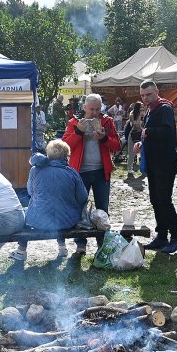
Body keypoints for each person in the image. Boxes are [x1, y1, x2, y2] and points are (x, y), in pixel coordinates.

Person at [62, 93, 121, 256]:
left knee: (103, 209)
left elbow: (117, 145)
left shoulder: (107, 122)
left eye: (97, 109)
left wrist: (104, 139)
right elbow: (65, 147)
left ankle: (102, 243)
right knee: (80, 210)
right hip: (80, 173)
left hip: (102, 172)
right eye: (92, 109)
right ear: (84, 108)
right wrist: (79, 132)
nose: (95, 113)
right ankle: (81, 244)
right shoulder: (74, 123)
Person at [13, 140, 88, 261]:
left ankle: (21, 251)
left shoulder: (35, 170)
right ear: (66, 155)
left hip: (39, 222)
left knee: (26, 214)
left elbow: (30, 192)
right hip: (68, 222)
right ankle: (62, 247)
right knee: (60, 209)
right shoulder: (72, 173)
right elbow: (83, 197)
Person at [135, 81, 177, 254]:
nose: (145, 97)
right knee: (155, 200)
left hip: (166, 161)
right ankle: (162, 236)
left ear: (157, 91)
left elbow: (168, 132)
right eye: (143, 95)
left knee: (164, 200)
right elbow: (150, 134)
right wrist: (142, 143)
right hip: (154, 162)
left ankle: (176, 238)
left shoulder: (164, 108)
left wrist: (149, 133)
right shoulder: (151, 109)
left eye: (148, 94)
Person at [124, 101, 145, 178]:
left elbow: (144, 125)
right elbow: (136, 124)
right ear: (137, 107)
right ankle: (129, 169)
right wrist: (140, 115)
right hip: (133, 135)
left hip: (141, 134)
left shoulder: (144, 114)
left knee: (143, 152)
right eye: (141, 107)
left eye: (143, 107)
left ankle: (143, 168)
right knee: (131, 153)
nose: (142, 108)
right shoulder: (132, 114)